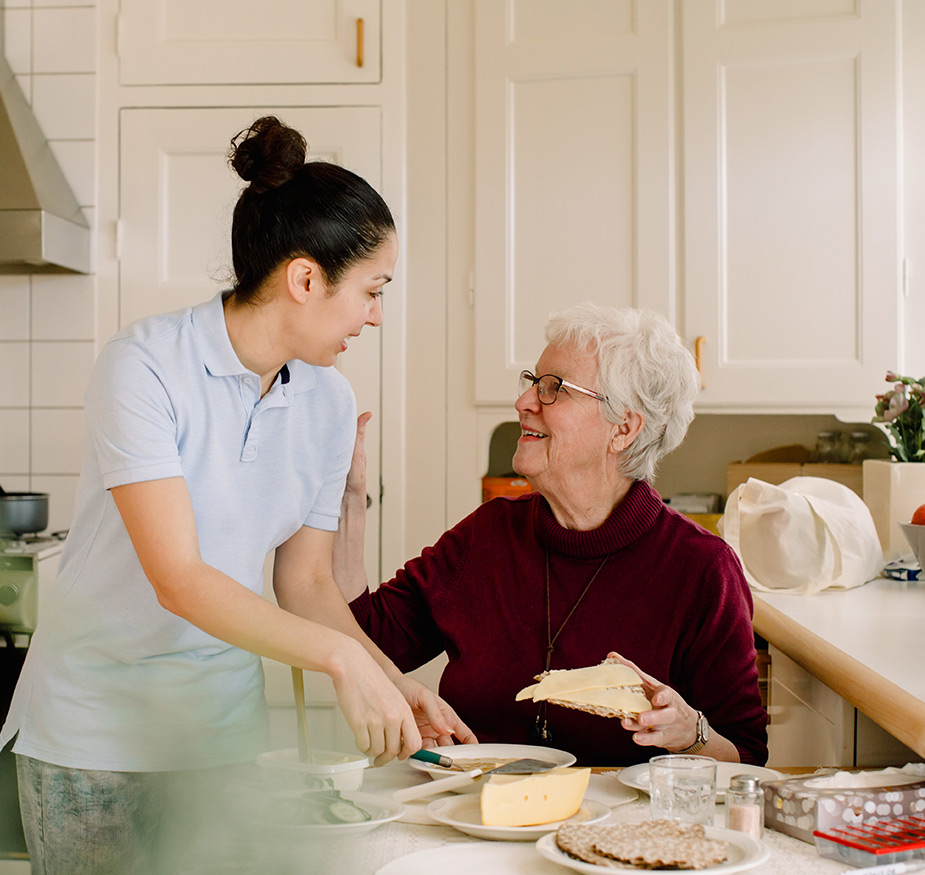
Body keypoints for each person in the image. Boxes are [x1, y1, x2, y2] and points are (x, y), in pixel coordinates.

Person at [0, 116, 473, 874]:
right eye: (371, 290)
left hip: (220, 738)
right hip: (95, 733)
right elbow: (179, 579)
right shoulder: (144, 367)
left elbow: (306, 581)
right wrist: (340, 663)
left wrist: (388, 677)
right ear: (305, 278)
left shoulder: (325, 400)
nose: (376, 315)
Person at [338, 303, 768, 766]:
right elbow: (362, 639)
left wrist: (690, 733)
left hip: (619, 832)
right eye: (532, 382)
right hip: (478, 818)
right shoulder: (488, 535)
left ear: (623, 427)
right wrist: (347, 498)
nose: (525, 402)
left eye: (553, 389)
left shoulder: (701, 569)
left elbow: (745, 760)